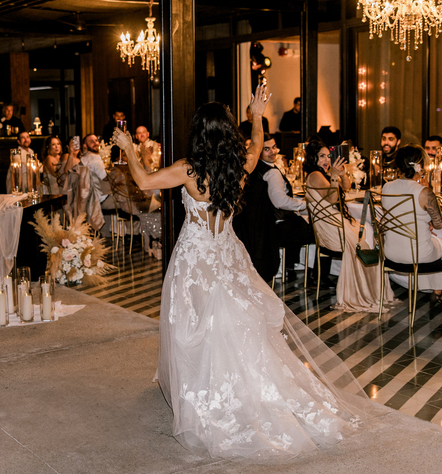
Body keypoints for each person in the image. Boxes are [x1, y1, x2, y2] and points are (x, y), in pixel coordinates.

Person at [112, 85, 370, 460]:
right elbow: (257, 139)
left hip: (196, 259)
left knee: (191, 322)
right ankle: (242, 386)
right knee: (234, 321)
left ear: (199, 133)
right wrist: (255, 113)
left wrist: (128, 147)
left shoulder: (189, 169)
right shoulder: (242, 166)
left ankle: (205, 392)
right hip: (228, 253)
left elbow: (144, 181)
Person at [304, 140, 394, 312]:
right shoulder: (315, 175)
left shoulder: (324, 173)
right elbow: (332, 199)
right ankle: (363, 292)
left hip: (336, 221)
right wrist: (333, 176)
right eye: (321, 156)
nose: (326, 160)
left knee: (367, 231)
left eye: (328, 156)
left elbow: (345, 187)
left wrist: (342, 174)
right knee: (364, 236)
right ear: (313, 158)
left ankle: (372, 290)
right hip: (331, 228)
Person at [236, 133, 313, 283]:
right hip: (273, 227)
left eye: (274, 147)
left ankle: (290, 266)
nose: (273, 152)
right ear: (259, 151)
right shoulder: (271, 172)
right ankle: (311, 272)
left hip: (256, 226)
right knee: (311, 230)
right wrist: (306, 205)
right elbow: (280, 202)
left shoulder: (253, 169)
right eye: (267, 149)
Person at [381, 145, 442, 301]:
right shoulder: (424, 191)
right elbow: (439, 225)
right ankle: (439, 291)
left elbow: (391, 217)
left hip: (390, 252)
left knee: (428, 238)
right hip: (419, 255)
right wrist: (429, 224)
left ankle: (435, 290)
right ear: (420, 166)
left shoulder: (386, 187)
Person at [79, 133, 111, 203]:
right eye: (91, 142)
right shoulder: (94, 158)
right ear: (85, 146)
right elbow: (105, 178)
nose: (95, 143)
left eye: (96, 141)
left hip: (90, 198)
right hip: (102, 198)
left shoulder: (84, 158)